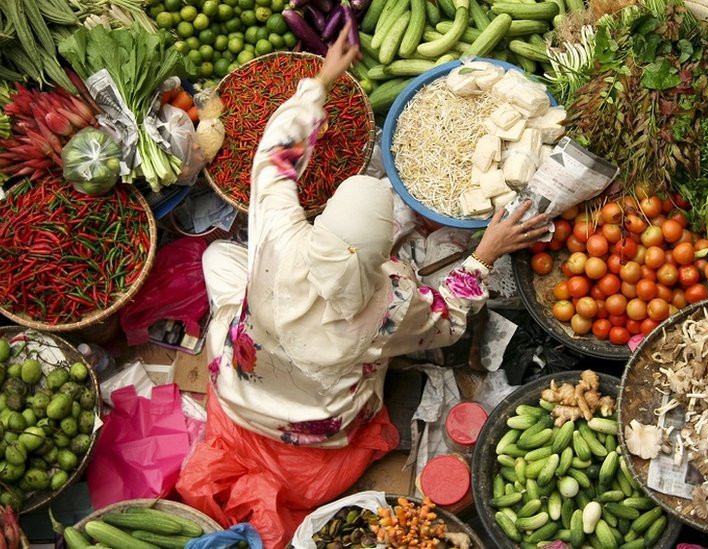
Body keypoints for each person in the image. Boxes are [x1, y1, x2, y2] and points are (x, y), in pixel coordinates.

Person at [176, 22, 550, 547]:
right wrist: (486, 252)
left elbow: (274, 159)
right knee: (407, 321)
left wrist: (319, 82)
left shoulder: (280, 236)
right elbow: (446, 322)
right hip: (318, 423)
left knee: (220, 256)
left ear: (322, 221)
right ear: (382, 256)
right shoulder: (389, 305)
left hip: (240, 381)